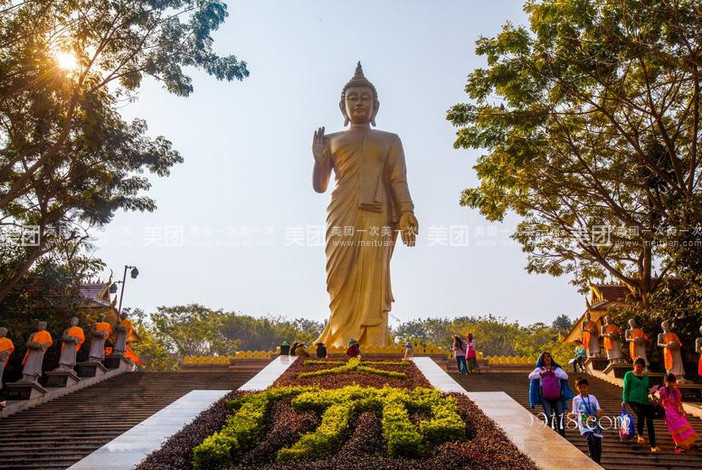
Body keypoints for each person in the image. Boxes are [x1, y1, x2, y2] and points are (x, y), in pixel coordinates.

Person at [313, 63, 419, 348]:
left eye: (365, 98)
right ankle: (339, 335)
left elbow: (398, 179)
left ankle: (373, 338)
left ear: (376, 106)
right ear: (342, 105)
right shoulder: (332, 140)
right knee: (338, 275)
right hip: (341, 210)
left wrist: (407, 210)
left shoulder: (390, 140)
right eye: (353, 98)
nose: (359, 103)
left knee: (374, 271)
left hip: (378, 213)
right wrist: (320, 161)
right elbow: (320, 186)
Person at [528, 352, 571, 436]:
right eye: (544, 357)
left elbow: (565, 376)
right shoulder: (540, 369)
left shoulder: (556, 369)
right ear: (542, 360)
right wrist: (541, 373)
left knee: (560, 416)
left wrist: (555, 373)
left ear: (551, 358)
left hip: (558, 397)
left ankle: (562, 435)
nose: (547, 358)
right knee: (549, 416)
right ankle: (553, 434)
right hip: (545, 398)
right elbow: (530, 376)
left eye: (548, 356)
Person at [622, 357, 659, 452]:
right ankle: (640, 435)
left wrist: (652, 393)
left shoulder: (645, 376)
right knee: (640, 414)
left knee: (650, 421)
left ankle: (653, 445)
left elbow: (647, 389)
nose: (638, 368)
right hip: (633, 400)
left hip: (645, 401)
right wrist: (624, 400)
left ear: (643, 367)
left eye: (641, 367)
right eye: (637, 366)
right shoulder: (629, 375)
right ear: (634, 366)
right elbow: (626, 388)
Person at [656, 373, 699, 452]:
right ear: (666, 381)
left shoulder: (676, 391)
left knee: (685, 426)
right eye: (669, 381)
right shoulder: (663, 390)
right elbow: (660, 402)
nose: (670, 383)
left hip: (676, 412)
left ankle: (691, 443)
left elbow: (679, 403)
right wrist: (662, 412)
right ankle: (678, 446)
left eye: (671, 381)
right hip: (668, 413)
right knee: (675, 430)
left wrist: (683, 411)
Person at [570, 377, 604, 463]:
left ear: (587, 387)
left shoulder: (593, 398)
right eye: (580, 387)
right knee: (590, 438)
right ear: (576, 388)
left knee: (598, 444)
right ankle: (592, 459)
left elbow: (598, 409)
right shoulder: (576, 399)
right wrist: (571, 415)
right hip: (584, 423)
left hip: (595, 423)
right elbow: (574, 412)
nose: (582, 389)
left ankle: (597, 462)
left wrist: (600, 412)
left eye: (584, 387)